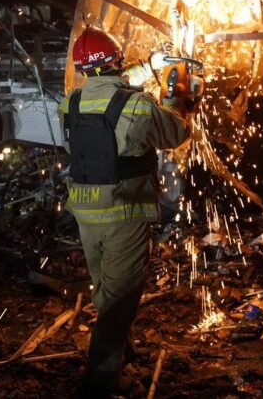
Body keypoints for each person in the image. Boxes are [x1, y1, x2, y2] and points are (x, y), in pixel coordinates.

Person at [59, 27, 190, 396]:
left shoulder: (71, 103)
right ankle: (100, 381)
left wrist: (149, 66)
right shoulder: (138, 106)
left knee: (105, 290)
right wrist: (175, 98)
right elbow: (176, 134)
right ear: (116, 60)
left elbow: (109, 89)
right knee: (120, 299)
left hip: (85, 213)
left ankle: (121, 350)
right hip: (124, 212)